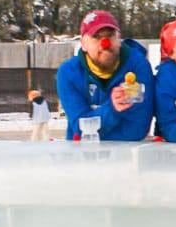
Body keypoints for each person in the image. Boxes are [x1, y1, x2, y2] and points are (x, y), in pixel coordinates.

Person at [55, 9, 154, 141]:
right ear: (84, 44)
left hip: (126, 155)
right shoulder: (68, 72)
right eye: (96, 37)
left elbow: (137, 130)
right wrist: (112, 108)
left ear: (119, 39)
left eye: (110, 35)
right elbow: (79, 128)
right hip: (82, 156)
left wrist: (93, 128)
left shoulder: (138, 66)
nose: (105, 43)